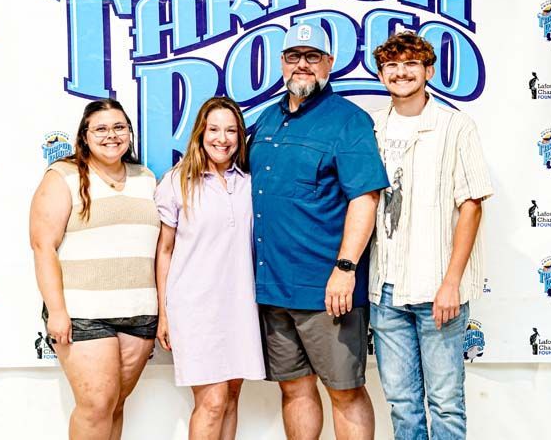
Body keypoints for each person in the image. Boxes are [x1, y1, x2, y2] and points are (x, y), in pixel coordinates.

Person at [249, 23, 388, 440]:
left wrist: (345, 268)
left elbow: (366, 198)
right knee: (294, 388)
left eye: (313, 57)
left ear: (329, 63)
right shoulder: (267, 118)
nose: (303, 65)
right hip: (271, 288)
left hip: (327, 290)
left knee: (344, 391)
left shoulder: (348, 120)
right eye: (294, 56)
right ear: (281, 63)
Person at [368, 32, 494, 440]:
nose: (400, 72)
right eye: (391, 66)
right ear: (382, 73)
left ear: (428, 71)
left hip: (437, 288)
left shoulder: (455, 126)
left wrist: (451, 283)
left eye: (410, 64)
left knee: (445, 403)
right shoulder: (374, 129)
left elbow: (471, 205)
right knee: (402, 405)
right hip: (385, 292)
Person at [29, 99, 160, 440]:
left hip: (140, 311)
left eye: (119, 127)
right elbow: (42, 246)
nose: (111, 135)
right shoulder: (63, 176)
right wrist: (57, 312)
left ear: (129, 133)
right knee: (96, 406)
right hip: (84, 312)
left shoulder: (145, 178)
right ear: (84, 136)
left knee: (115, 405)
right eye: (100, 129)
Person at [154, 96, 265, 440]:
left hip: (241, 306)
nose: (223, 138)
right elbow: (165, 251)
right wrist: (164, 313)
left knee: (231, 399)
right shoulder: (177, 182)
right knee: (212, 401)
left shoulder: (248, 183)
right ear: (200, 133)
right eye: (214, 129)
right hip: (195, 308)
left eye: (231, 130)